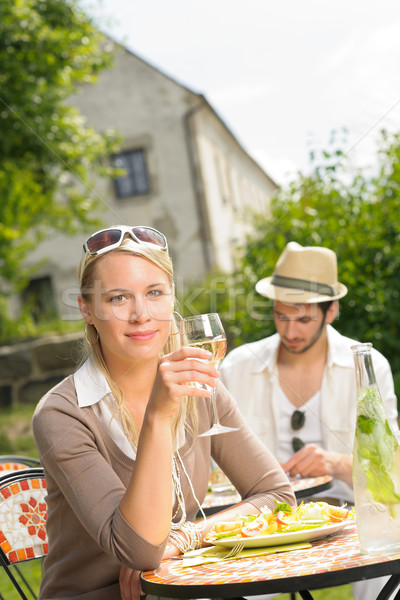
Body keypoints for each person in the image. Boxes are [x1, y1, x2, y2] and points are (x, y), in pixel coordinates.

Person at [32, 225, 294, 600]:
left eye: (154, 293)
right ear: (87, 309)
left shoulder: (200, 386)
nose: (141, 314)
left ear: (171, 299)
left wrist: (184, 539)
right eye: (119, 298)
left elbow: (275, 495)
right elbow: (139, 551)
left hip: (183, 588)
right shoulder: (62, 414)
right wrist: (158, 415)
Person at [220, 241, 399, 600]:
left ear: (331, 311)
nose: (290, 331)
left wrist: (334, 462)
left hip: (353, 512)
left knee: (390, 562)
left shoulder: (367, 364)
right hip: (262, 518)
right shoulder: (238, 366)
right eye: (281, 316)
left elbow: (389, 471)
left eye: (303, 319)